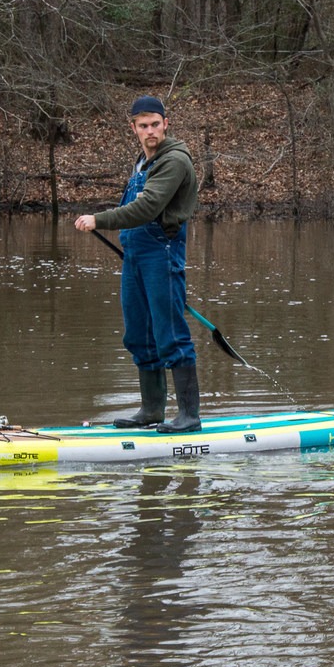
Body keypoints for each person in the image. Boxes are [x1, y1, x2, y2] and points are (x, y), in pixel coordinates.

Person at [74, 95, 201, 432]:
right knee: (138, 335)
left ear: (165, 124)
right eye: (143, 126)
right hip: (135, 258)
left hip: (162, 254)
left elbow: (147, 208)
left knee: (170, 334)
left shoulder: (174, 161)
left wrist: (98, 220)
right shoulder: (142, 163)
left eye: (155, 124)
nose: (150, 131)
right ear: (133, 128)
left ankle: (189, 416)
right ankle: (151, 410)